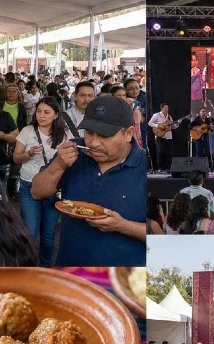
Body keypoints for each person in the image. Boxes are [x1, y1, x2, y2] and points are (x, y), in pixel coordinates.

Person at [30, 96, 145, 266]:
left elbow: (164, 234)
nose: (94, 143)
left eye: (104, 135)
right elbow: (37, 192)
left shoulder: (144, 166)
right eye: (89, 133)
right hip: (71, 270)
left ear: (128, 133)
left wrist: (123, 226)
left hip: (124, 276)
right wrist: (59, 165)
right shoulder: (74, 151)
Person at [14, 97, 67, 264]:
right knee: (29, 232)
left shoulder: (64, 134)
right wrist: (28, 154)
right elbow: (16, 158)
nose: (41, 115)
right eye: (39, 111)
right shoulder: (27, 131)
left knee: (49, 234)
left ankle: (44, 267)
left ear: (56, 115)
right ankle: (27, 267)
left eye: (46, 112)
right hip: (28, 186)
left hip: (53, 188)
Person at [149, 104, 180, 173]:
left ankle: (169, 168)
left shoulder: (169, 117)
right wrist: (158, 126)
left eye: (167, 108)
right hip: (160, 136)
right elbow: (150, 123)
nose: (167, 109)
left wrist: (177, 124)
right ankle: (160, 168)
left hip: (169, 137)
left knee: (170, 152)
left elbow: (172, 127)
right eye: (165, 108)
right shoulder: (156, 115)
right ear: (162, 108)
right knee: (160, 152)